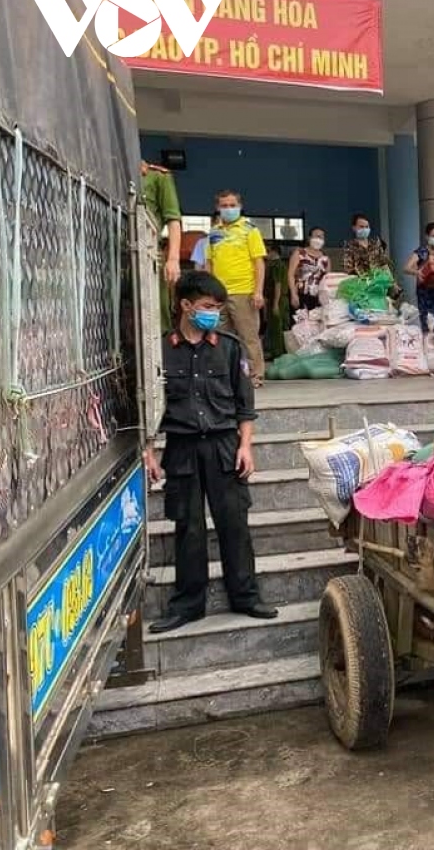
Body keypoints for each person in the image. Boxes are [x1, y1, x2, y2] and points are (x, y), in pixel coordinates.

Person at [142, 271, 277, 633]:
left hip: (224, 446)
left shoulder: (230, 348)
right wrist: (149, 451)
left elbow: (245, 406)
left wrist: (246, 446)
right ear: (185, 306)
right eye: (206, 307)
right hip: (182, 448)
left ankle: (246, 596)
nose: (213, 313)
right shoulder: (160, 351)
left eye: (217, 307)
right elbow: (148, 408)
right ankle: (188, 604)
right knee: (188, 526)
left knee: (234, 523)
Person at [205, 190, 267, 387]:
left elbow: (259, 263)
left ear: (240, 206)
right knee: (220, 336)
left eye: (232, 205)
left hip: (244, 292)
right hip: (219, 294)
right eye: (224, 206)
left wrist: (258, 291)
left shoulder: (250, 230)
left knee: (248, 336)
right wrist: (208, 292)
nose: (228, 209)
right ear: (218, 208)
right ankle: (223, 375)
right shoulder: (214, 233)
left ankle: (255, 376)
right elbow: (209, 263)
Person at [143, 160, 183, 331]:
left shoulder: (157, 176)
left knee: (155, 314)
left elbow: (173, 220)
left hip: (148, 253)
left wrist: (173, 259)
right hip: (113, 253)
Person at [405, 222, 434, 336]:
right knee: (428, 323)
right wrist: (417, 272)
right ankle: (428, 347)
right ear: (427, 236)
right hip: (426, 294)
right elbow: (406, 268)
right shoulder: (421, 252)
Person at [288, 227, 331, 313]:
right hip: (301, 295)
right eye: (316, 236)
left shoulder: (326, 259)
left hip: (318, 298)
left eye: (321, 237)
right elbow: (290, 275)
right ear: (309, 238)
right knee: (300, 323)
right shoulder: (299, 253)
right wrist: (293, 294)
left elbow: (327, 280)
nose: (319, 239)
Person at [342, 213, 392, 278]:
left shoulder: (376, 244)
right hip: (360, 283)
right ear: (354, 228)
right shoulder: (349, 247)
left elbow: (384, 264)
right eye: (361, 227)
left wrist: (392, 282)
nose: (364, 229)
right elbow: (348, 270)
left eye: (367, 227)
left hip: (379, 282)